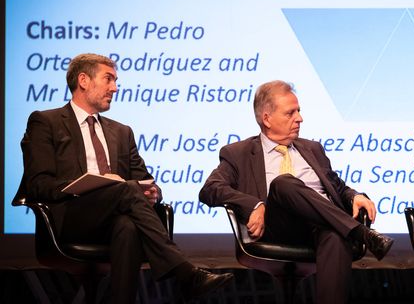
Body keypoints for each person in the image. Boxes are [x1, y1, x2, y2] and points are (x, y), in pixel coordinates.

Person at [15, 53, 233, 303]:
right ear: (83, 80)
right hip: (68, 221)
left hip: (112, 220)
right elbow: (38, 184)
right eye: (108, 79)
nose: (115, 88)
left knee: (127, 226)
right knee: (126, 190)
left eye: (115, 81)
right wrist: (86, 185)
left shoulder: (121, 132)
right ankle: (185, 273)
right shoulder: (46, 121)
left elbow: (144, 179)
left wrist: (153, 191)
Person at [199, 80, 394, 304]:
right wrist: (254, 204)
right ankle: (361, 233)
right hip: (279, 227)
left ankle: (351, 233)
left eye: (299, 111)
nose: (299, 118)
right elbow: (210, 189)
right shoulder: (238, 153)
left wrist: (354, 196)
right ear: (267, 119)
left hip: (323, 226)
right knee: (283, 183)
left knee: (335, 235)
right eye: (290, 113)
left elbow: (337, 187)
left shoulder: (313, 149)